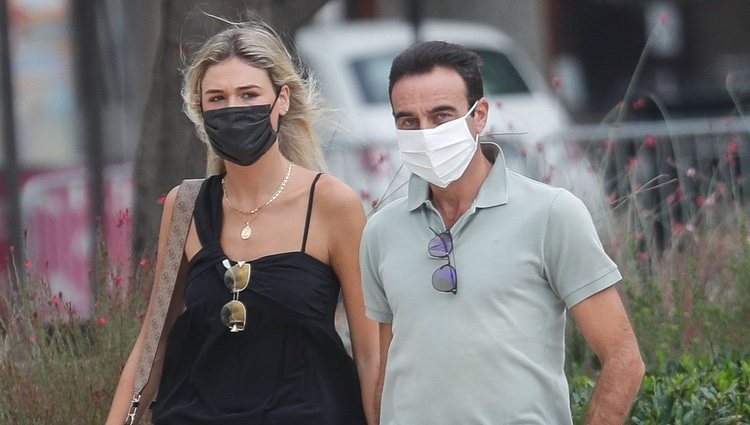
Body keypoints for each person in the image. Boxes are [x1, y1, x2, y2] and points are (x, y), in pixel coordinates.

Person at [107, 20, 378, 425]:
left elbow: (370, 353)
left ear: (282, 100)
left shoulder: (330, 203)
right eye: (216, 98)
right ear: (200, 111)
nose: (232, 109)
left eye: (249, 94)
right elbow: (153, 342)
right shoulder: (185, 206)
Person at [360, 41, 644, 424]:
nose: (425, 133)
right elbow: (386, 366)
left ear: (480, 116)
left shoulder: (551, 214)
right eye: (408, 120)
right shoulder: (380, 231)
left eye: (441, 116)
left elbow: (624, 360)